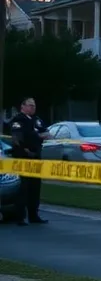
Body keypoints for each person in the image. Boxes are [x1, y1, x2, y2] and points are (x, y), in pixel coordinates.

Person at [9, 97, 50, 226]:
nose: (33, 107)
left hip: (36, 158)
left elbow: (47, 133)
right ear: (23, 107)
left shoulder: (37, 120)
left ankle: (34, 215)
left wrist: (35, 135)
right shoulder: (18, 120)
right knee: (23, 187)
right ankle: (20, 217)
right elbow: (18, 139)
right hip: (23, 157)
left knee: (35, 187)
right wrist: (36, 136)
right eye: (30, 105)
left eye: (34, 105)